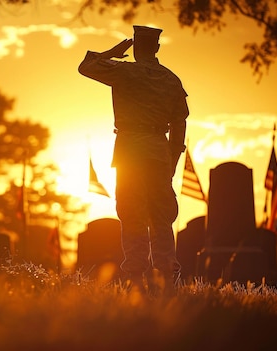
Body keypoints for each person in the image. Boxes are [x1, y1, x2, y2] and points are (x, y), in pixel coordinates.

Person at [78, 25, 189, 297]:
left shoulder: (125, 71)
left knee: (132, 214)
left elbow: (86, 66)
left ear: (135, 47)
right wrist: (172, 159)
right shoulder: (171, 79)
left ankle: (135, 277)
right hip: (158, 151)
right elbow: (180, 122)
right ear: (157, 48)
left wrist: (112, 52)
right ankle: (165, 278)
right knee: (162, 217)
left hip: (130, 150)